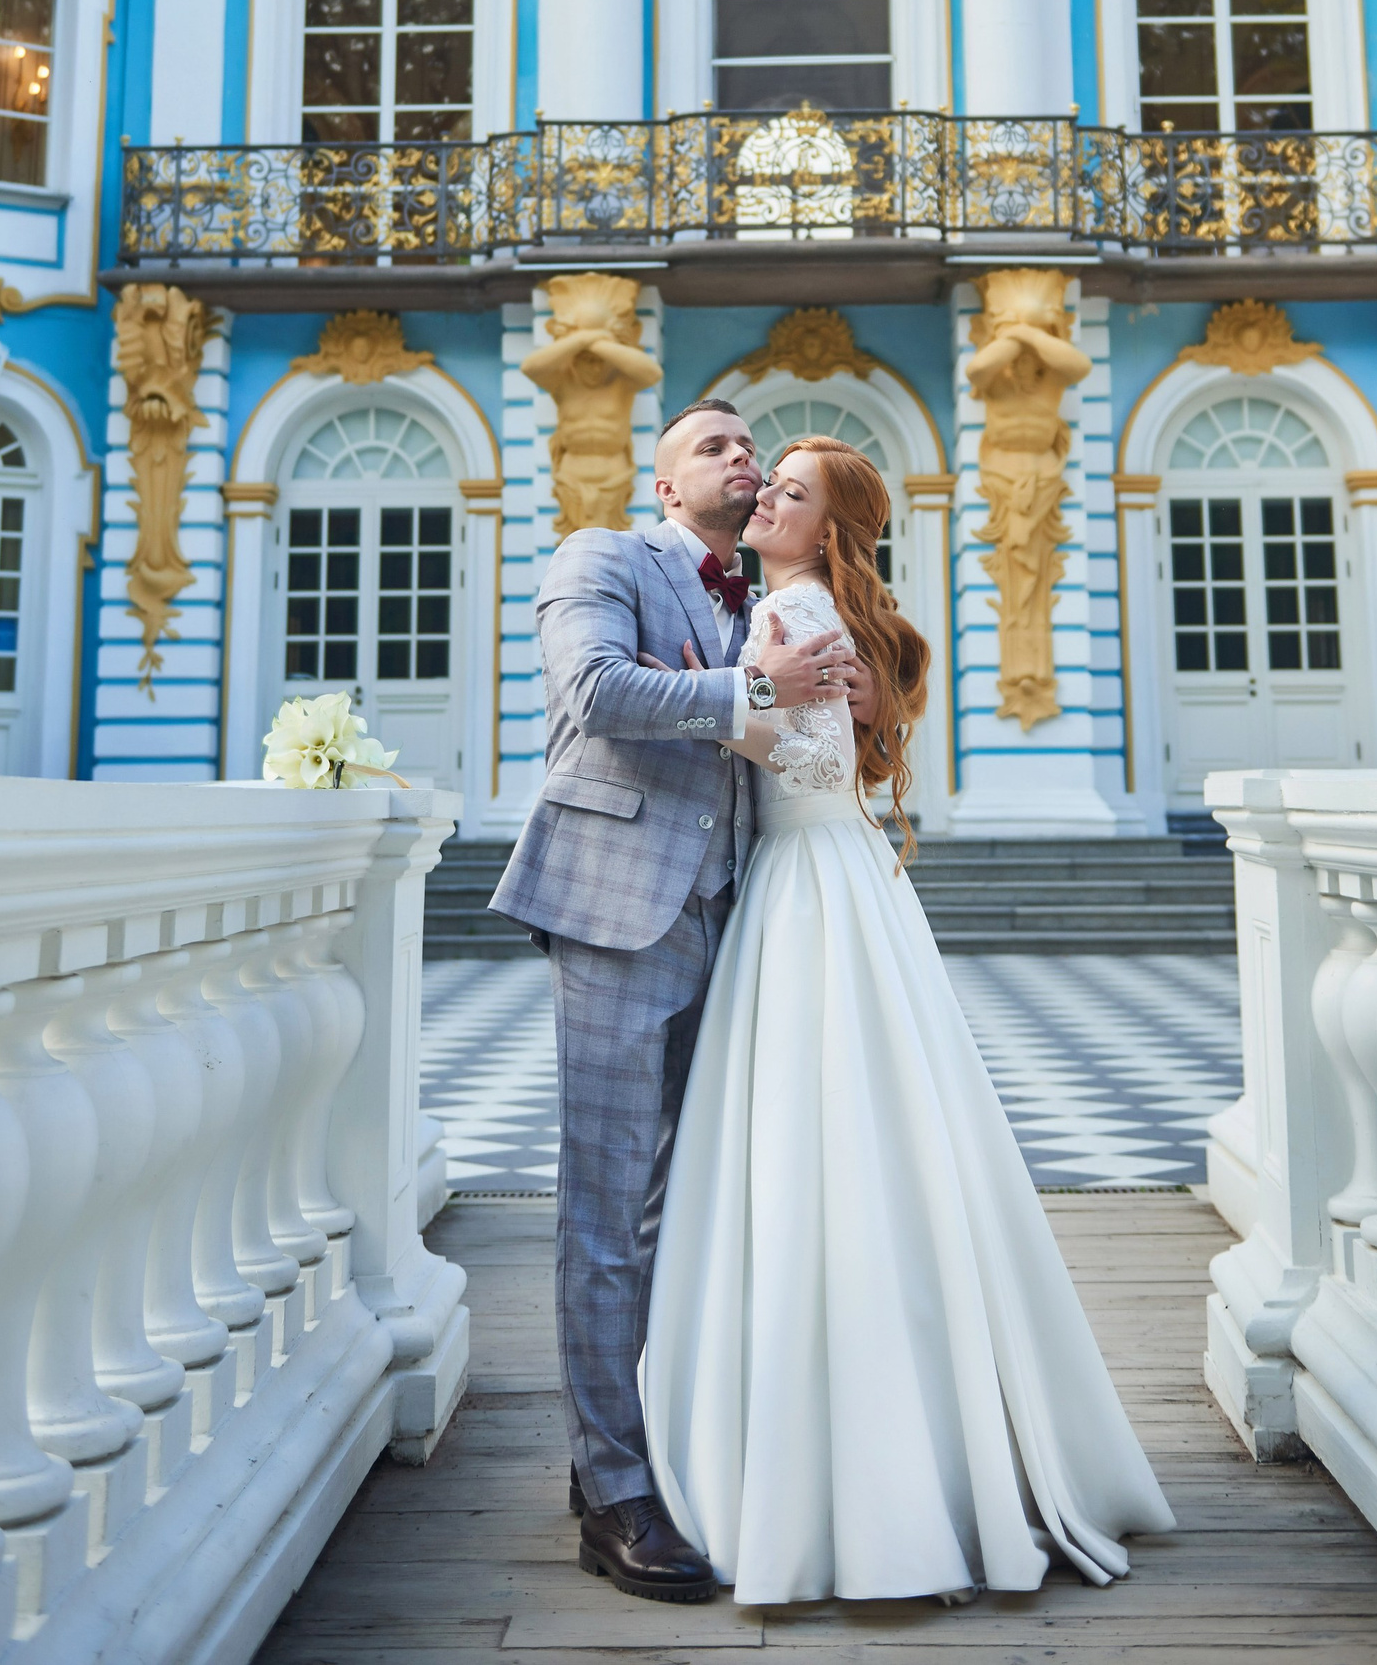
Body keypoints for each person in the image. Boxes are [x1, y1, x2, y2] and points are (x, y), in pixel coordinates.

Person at [641, 436, 1175, 1607]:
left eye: (791, 492)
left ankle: (846, 1473)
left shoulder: (796, 611)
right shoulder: (805, 608)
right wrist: (740, 693)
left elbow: (811, 760)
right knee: (863, 1143)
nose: (765, 495)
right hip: (829, 879)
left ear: (827, 529)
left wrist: (725, 703)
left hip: (812, 887)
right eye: (768, 480)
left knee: (816, 1145)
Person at [488, 401, 873, 1604]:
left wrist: (836, 697)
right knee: (608, 1209)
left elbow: (795, 733)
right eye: (713, 443)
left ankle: (680, 1447)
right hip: (617, 905)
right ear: (663, 484)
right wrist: (754, 681)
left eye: (750, 444)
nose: (741, 455)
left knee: (699, 1203)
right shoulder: (601, 554)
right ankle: (611, 1489)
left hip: (742, 918)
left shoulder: (765, 593)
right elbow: (597, 689)